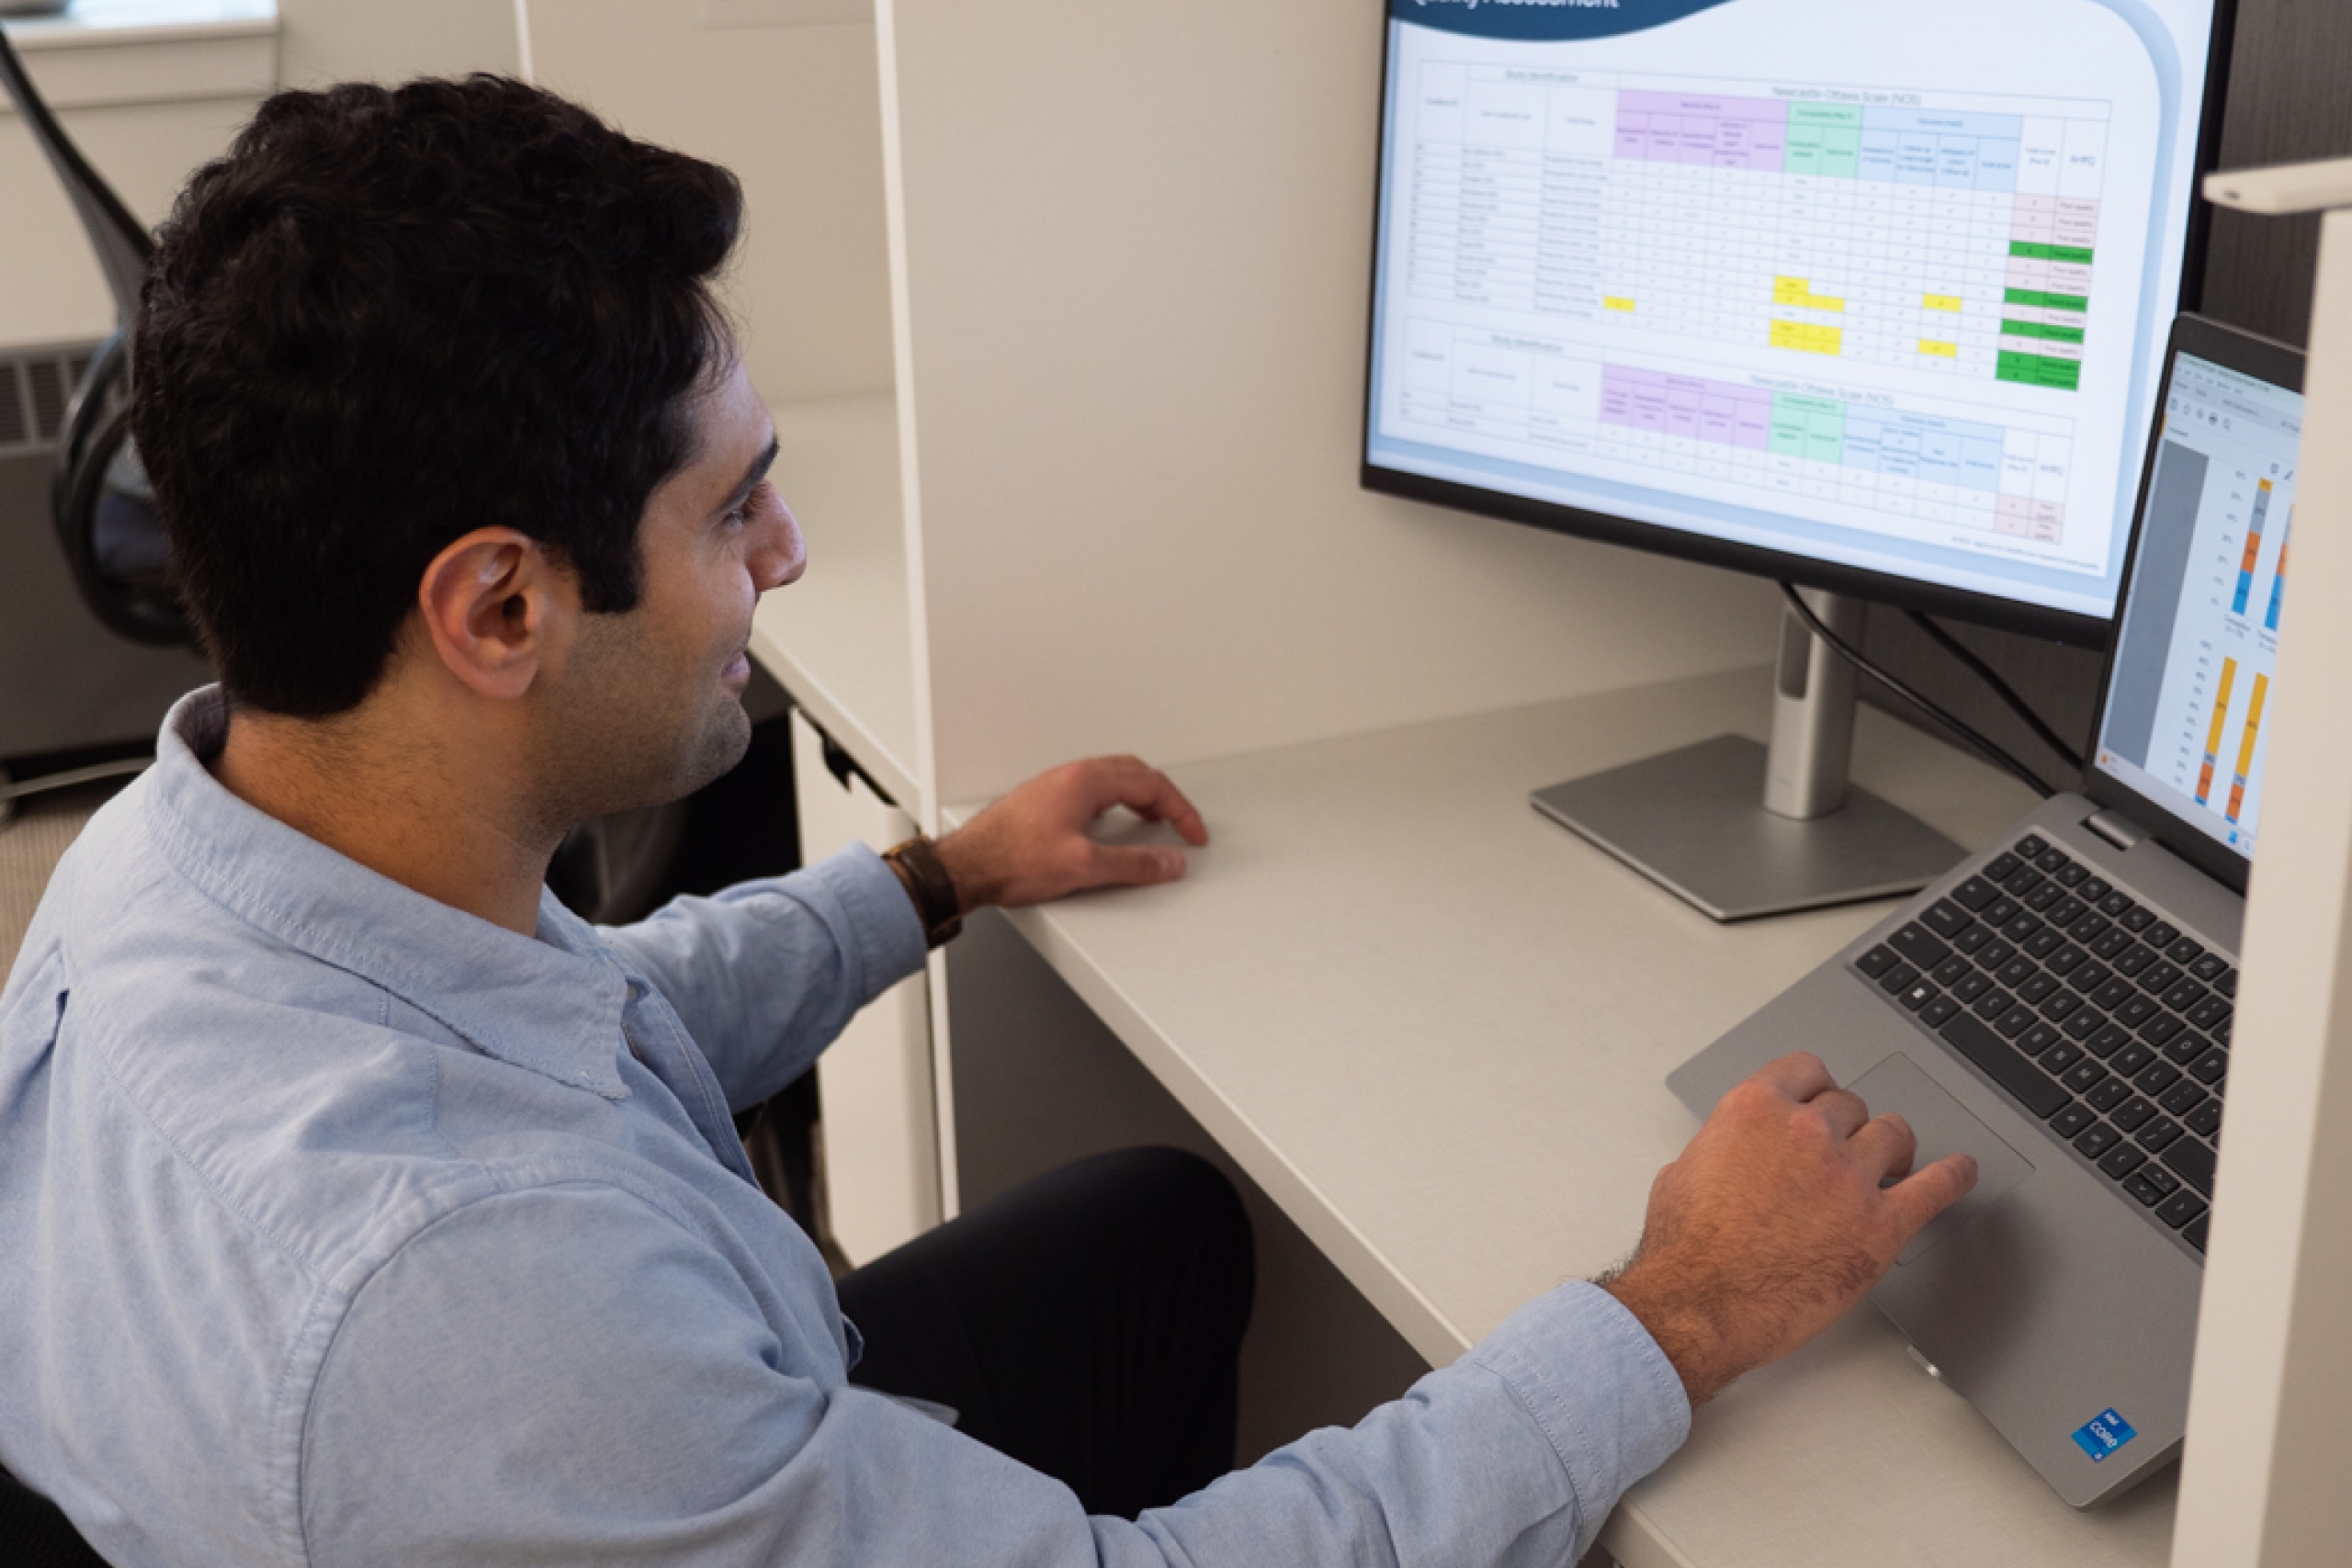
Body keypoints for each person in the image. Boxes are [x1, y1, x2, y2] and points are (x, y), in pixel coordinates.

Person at [0, 76, 1976, 1568]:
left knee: (1153, 1222)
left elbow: (590, 1019)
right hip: (600, 1412)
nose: (785, 551)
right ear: (497, 607)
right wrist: (1679, 1307)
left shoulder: (183, 857)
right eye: (728, 507)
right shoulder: (486, 1307)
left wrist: (935, 875)